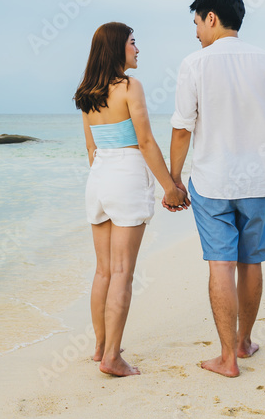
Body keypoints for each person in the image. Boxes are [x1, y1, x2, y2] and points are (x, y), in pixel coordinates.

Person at [168, 0, 265, 378]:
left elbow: (181, 129)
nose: (195, 32)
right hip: (258, 182)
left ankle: (226, 359)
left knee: (221, 264)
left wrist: (174, 179)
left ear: (211, 17)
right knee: (251, 261)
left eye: (196, 22)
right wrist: (261, 150)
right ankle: (244, 342)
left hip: (211, 181)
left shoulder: (195, 64)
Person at [74, 22, 189, 377]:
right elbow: (145, 142)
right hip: (125, 176)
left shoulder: (87, 93)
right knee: (123, 272)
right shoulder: (130, 87)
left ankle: (100, 347)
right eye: (133, 43)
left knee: (104, 270)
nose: (138, 50)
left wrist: (106, 176)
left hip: (98, 179)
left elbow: (91, 148)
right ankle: (113, 359)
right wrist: (170, 185)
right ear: (116, 49)